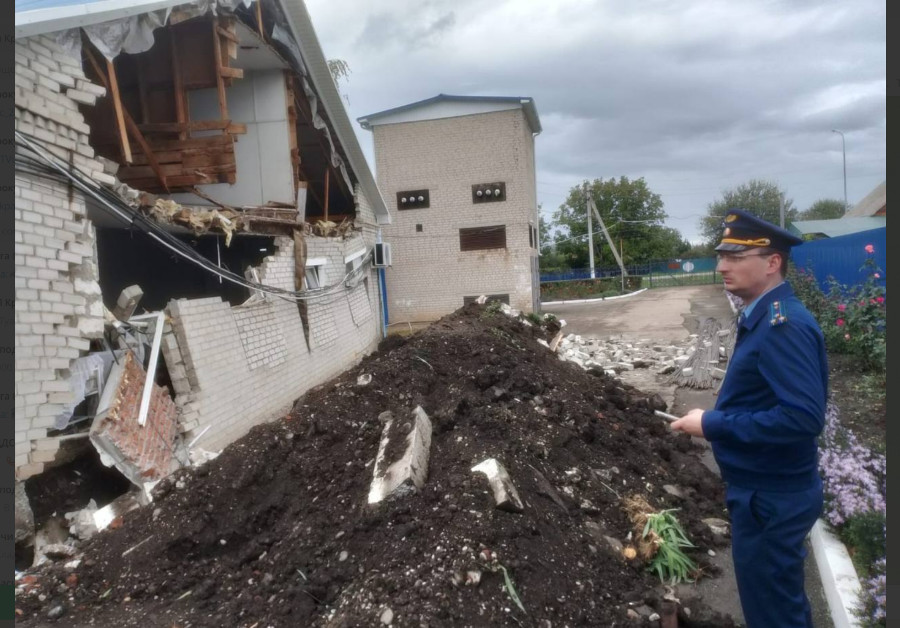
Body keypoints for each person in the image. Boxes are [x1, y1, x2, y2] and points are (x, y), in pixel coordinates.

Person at [670, 209, 828, 628]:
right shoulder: (763, 314)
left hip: (771, 498)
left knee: (774, 614)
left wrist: (713, 424)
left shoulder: (782, 326)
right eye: (722, 256)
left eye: (736, 257)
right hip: (762, 492)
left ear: (772, 262)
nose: (722, 266)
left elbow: (802, 417)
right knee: (771, 605)